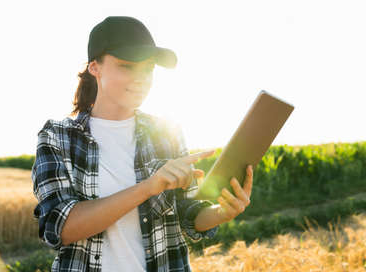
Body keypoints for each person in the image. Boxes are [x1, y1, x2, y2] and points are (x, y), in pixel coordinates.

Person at [31, 16, 254, 272]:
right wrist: (148, 187)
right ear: (95, 67)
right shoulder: (57, 136)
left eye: (148, 69)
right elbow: (61, 228)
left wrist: (221, 212)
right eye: (126, 66)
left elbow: (187, 212)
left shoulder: (166, 133)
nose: (141, 79)